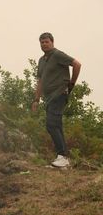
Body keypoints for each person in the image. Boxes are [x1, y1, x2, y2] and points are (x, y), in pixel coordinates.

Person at [32, 32, 81, 168]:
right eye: (42, 42)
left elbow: (77, 64)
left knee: (51, 124)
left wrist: (71, 84)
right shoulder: (42, 61)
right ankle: (63, 160)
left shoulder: (58, 54)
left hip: (59, 93)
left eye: (47, 41)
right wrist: (36, 99)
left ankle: (62, 157)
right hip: (49, 98)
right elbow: (40, 81)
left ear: (52, 42)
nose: (44, 44)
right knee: (56, 125)